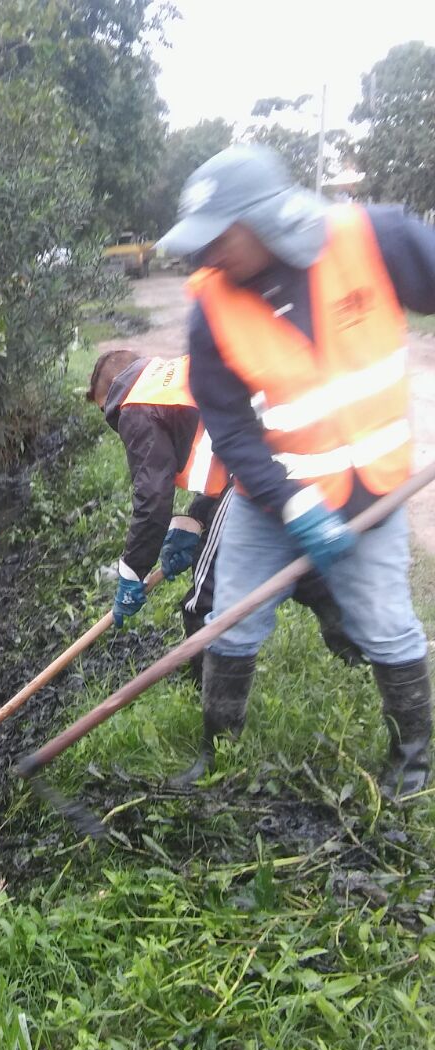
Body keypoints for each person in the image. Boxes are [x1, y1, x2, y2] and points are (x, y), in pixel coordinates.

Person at [158, 143, 435, 796]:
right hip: (270, 500)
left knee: (385, 624)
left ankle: (412, 764)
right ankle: (218, 751)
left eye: (219, 238)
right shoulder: (211, 308)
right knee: (231, 620)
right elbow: (229, 426)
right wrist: (292, 501)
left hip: (370, 496)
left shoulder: (373, 238)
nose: (207, 255)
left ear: (263, 219)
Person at [86, 348, 362, 680]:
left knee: (205, 598)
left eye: (104, 410)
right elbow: (216, 451)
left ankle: (207, 692)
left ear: (112, 392)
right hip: (292, 458)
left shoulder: (134, 406)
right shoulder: (171, 380)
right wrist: (193, 521)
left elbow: (152, 499)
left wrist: (132, 572)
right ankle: (363, 653)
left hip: (260, 472)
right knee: (301, 566)